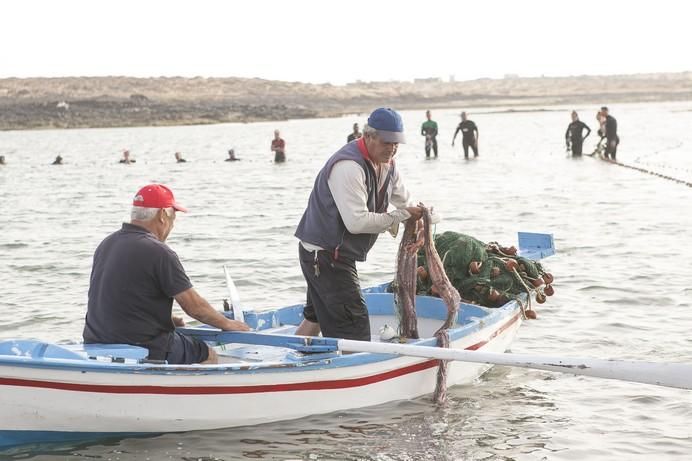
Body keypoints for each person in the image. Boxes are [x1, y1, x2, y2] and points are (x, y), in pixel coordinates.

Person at [294, 107, 428, 341]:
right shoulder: (348, 166)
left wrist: (425, 220)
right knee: (353, 325)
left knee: (316, 315)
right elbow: (356, 222)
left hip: (331, 254)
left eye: (396, 143)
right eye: (386, 142)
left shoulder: (389, 164)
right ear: (368, 136)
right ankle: (349, 372)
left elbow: (407, 202)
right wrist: (402, 216)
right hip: (325, 256)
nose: (392, 149)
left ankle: (292, 360)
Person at [83, 184, 250, 364]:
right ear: (163, 216)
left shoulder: (106, 244)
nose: (173, 224)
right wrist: (229, 324)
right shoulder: (159, 252)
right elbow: (194, 307)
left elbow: (116, 298)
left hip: (96, 340)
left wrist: (165, 320)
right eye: (173, 217)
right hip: (144, 345)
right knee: (206, 353)